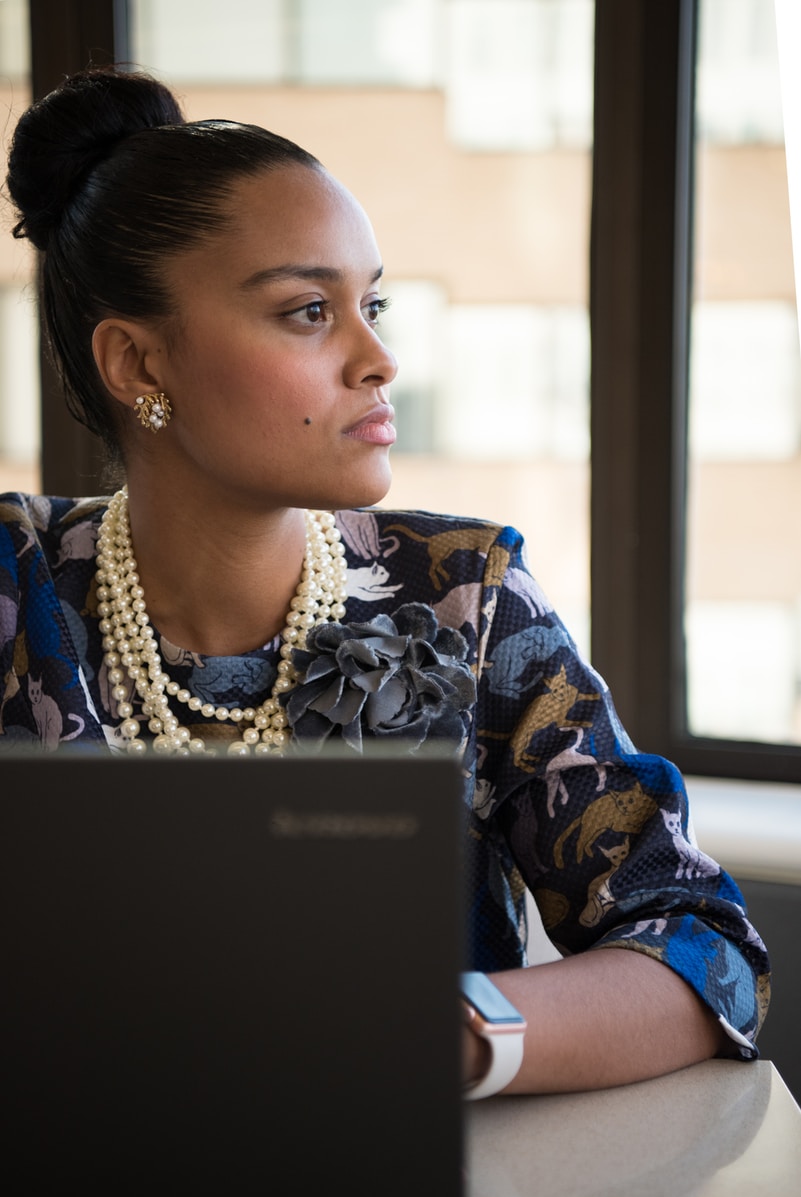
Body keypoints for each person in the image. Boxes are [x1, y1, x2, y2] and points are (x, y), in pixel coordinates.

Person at [2, 65, 769, 1097]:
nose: (380, 358)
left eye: (374, 303)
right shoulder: (19, 591)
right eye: (310, 310)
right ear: (139, 365)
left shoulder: (465, 592)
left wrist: (427, 1034)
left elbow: (702, 950)